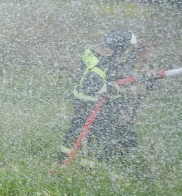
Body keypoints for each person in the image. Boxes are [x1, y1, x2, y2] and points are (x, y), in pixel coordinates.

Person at [58, 29, 153, 166]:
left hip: (80, 99)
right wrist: (112, 89)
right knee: (97, 136)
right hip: (94, 103)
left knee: (76, 129)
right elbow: (94, 84)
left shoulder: (93, 53)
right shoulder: (105, 62)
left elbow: (95, 75)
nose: (127, 52)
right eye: (126, 48)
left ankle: (62, 158)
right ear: (120, 46)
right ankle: (87, 167)